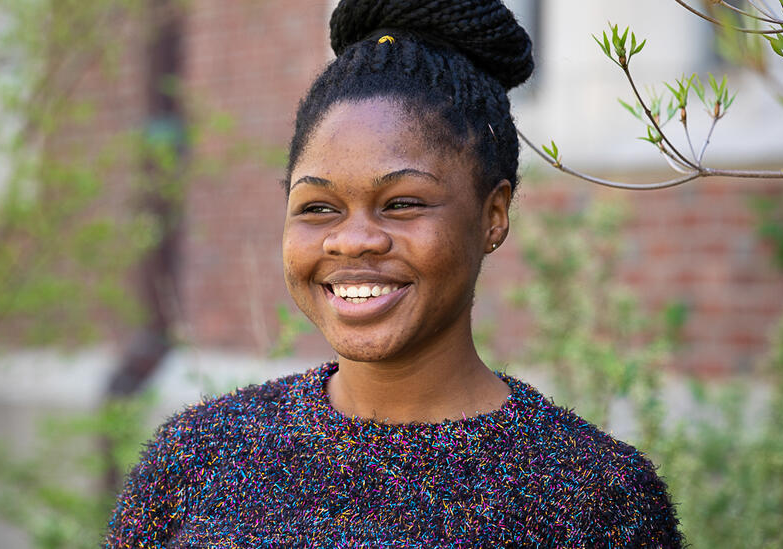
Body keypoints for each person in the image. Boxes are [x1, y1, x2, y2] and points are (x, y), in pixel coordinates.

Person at [104, 0, 683, 546]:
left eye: (402, 203)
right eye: (318, 207)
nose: (352, 240)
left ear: (493, 216)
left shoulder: (593, 498)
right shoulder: (199, 457)